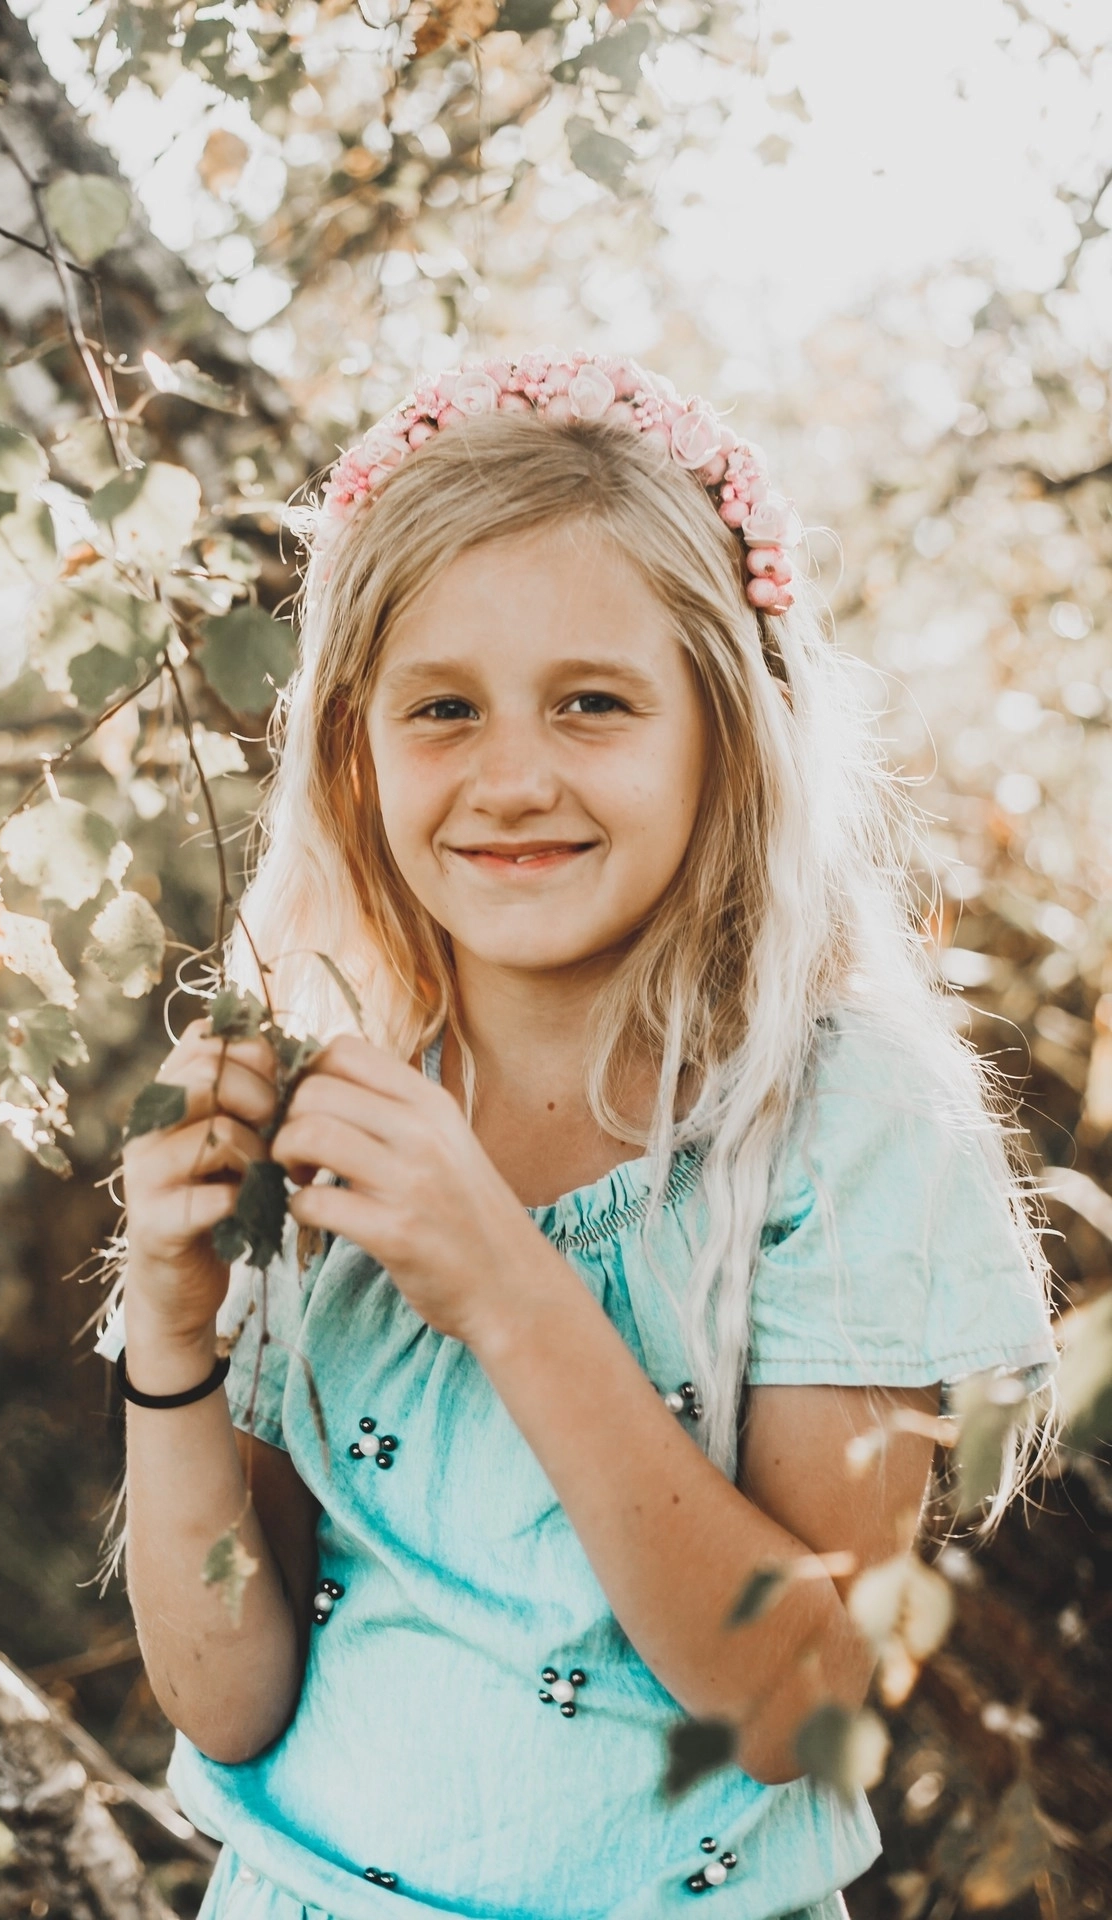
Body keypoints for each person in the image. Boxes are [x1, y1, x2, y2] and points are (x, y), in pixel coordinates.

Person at [97, 352, 1057, 1920]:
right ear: (353, 749)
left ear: (724, 730)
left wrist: (505, 1284)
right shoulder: (327, 1110)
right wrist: (170, 1329)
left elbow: (799, 1707)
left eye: (594, 704)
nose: (513, 778)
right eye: (443, 709)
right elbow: (226, 1695)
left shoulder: (838, 1112)